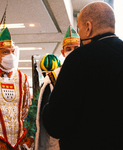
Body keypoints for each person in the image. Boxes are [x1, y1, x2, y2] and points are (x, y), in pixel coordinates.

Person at [42, 2, 123, 150]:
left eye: (78, 28)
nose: (79, 34)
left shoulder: (79, 59)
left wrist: (47, 108)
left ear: (88, 27)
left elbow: (57, 124)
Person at [35, 26, 80, 150]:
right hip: (59, 139)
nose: (73, 51)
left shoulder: (91, 72)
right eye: (68, 48)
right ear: (63, 52)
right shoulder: (53, 77)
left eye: (76, 48)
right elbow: (45, 117)